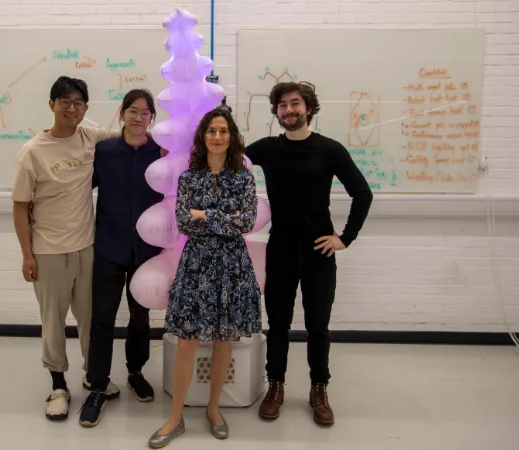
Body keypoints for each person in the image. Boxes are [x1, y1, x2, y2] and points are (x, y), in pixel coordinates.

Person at [244, 81, 373, 425]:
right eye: (283, 105)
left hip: (319, 252)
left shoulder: (329, 150)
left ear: (309, 108)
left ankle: (319, 388)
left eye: (295, 103)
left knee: (318, 326)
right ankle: (276, 386)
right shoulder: (268, 149)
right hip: (281, 249)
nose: (289, 110)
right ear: (277, 113)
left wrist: (345, 238)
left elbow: (363, 193)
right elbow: (228, 155)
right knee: (278, 324)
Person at [148, 106, 262, 449]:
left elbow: (248, 222)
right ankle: (175, 415)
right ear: (203, 136)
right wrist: (223, 216)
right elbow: (184, 221)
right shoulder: (188, 177)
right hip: (196, 264)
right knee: (187, 339)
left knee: (224, 337)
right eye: (211, 130)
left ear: (232, 136)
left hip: (231, 267)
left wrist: (205, 214)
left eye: (223, 131)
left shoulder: (243, 177)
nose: (217, 136)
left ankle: (214, 409)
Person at [11, 76, 122, 421]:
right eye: (64, 102)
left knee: (90, 319)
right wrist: (27, 254)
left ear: (86, 108)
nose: (71, 109)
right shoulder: (32, 152)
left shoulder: (90, 137)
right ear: (51, 105)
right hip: (48, 251)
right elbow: (19, 206)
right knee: (53, 322)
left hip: (86, 248)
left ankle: (94, 376)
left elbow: (130, 136)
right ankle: (58, 384)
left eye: (78, 103)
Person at [78, 89, 164, 427]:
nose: (139, 117)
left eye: (145, 112)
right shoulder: (105, 151)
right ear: (122, 113)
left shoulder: (161, 152)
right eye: (133, 110)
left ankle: (135, 371)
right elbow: (81, 189)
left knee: (140, 319)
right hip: (109, 248)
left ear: (151, 118)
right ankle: (97, 385)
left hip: (147, 250)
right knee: (102, 318)